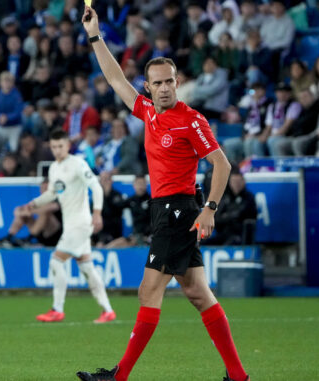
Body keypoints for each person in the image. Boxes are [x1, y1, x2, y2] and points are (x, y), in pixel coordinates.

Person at [77, 6, 248, 381]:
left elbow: (222, 165)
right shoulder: (149, 113)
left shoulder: (191, 119)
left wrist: (210, 209)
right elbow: (116, 80)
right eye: (158, 83)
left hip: (179, 211)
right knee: (199, 294)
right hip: (166, 208)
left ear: (177, 81)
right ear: (149, 88)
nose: (166, 87)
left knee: (148, 291)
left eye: (170, 81)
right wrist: (95, 36)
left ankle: (118, 377)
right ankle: (237, 376)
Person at [26, 128, 115, 324]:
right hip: (71, 225)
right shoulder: (54, 169)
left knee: (56, 261)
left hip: (80, 223)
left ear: (68, 145)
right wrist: (35, 203)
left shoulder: (77, 164)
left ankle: (57, 309)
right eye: (54, 146)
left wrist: (97, 213)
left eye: (61, 146)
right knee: (86, 266)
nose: (57, 150)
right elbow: (53, 193)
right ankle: (107, 310)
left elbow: (96, 187)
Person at [0, 177, 62, 248]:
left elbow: (50, 208)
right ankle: (9, 238)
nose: (43, 191)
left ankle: (30, 239)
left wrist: (30, 211)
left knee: (45, 213)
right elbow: (17, 210)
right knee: (24, 215)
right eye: (42, 189)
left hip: (55, 235)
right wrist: (25, 212)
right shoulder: (38, 202)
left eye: (46, 189)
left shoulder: (58, 199)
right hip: (41, 234)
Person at [203, 169, 257, 245]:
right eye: (234, 182)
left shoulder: (248, 197)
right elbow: (217, 218)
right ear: (229, 182)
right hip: (223, 234)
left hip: (239, 235)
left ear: (243, 182)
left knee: (232, 241)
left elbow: (243, 215)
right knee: (203, 243)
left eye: (239, 182)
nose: (236, 185)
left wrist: (227, 216)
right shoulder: (225, 197)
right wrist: (230, 217)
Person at [104, 175, 152, 249]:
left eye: (142, 184)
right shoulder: (132, 200)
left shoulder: (151, 201)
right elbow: (115, 206)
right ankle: (102, 252)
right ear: (134, 185)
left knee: (130, 243)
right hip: (135, 235)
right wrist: (108, 193)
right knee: (115, 244)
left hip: (148, 236)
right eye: (138, 184)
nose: (140, 187)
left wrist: (146, 235)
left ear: (146, 185)